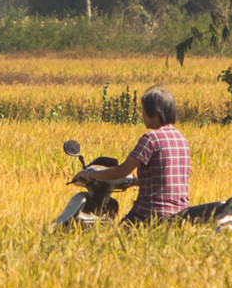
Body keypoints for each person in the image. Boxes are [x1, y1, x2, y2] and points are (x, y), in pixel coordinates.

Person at [80, 87, 192, 222]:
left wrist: (89, 175)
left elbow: (121, 170)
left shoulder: (151, 138)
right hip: (180, 213)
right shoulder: (181, 138)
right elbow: (169, 174)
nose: (142, 115)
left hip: (149, 212)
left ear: (154, 113)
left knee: (114, 238)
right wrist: (136, 180)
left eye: (143, 111)